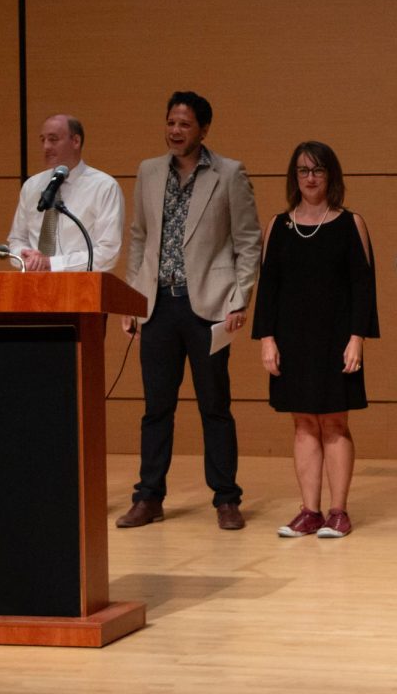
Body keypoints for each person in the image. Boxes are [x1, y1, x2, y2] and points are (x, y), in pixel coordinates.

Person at [116, 91, 261, 531]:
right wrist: (131, 298)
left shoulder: (229, 173)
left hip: (208, 306)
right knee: (155, 408)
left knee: (214, 406)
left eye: (184, 124)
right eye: (171, 122)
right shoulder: (148, 171)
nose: (175, 131)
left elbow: (248, 241)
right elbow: (139, 237)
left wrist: (239, 299)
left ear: (203, 130)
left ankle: (226, 499)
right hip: (158, 304)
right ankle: (149, 497)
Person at [252, 141, 379, 538]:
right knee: (304, 422)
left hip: (336, 338)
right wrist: (267, 339)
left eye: (318, 171)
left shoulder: (350, 223)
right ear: (294, 177)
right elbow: (268, 288)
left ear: (331, 177)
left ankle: (338, 512)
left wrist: (357, 337)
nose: (310, 178)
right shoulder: (279, 225)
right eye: (303, 171)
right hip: (292, 339)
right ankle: (310, 511)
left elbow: (364, 288)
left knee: (334, 423)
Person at [7, 114, 124, 271]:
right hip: (32, 284)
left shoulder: (104, 187)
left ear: (76, 141)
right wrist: (26, 257)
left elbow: (107, 253)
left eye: (53, 139)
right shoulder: (31, 186)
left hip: (80, 287)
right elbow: (16, 240)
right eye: (43, 140)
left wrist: (51, 264)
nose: (46, 147)